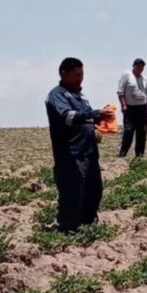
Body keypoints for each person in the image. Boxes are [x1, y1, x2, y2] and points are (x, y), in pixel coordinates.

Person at [45, 57, 114, 233]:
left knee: (94, 191)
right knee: (72, 192)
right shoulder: (57, 95)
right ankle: (67, 229)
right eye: (77, 75)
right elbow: (68, 117)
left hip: (89, 153)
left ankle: (87, 225)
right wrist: (94, 113)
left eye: (82, 74)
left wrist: (100, 119)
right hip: (71, 156)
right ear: (64, 74)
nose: (81, 78)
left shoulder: (80, 96)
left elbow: (86, 117)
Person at [117, 58, 147, 158]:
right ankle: (122, 154)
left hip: (142, 109)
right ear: (134, 66)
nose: (140, 68)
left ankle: (139, 156)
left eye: (142, 67)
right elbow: (120, 92)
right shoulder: (127, 75)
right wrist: (123, 105)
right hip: (130, 109)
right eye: (138, 66)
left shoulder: (144, 79)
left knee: (141, 134)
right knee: (128, 132)